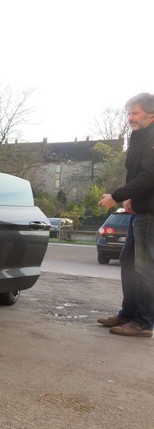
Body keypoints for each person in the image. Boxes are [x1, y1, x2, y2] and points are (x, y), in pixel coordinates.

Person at [97, 92, 154, 337]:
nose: (130, 117)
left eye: (135, 113)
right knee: (128, 262)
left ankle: (144, 322)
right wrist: (130, 196)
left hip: (151, 213)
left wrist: (118, 195)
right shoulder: (139, 136)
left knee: (145, 268)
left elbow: (150, 175)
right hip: (139, 210)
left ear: (151, 113)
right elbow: (137, 173)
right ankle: (128, 314)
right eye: (128, 113)